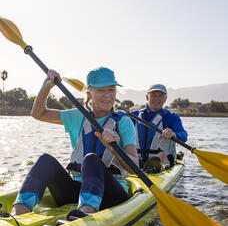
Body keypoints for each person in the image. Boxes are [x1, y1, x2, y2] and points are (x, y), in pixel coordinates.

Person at [11, 67, 138, 217]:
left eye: (111, 89)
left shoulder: (123, 122)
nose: (108, 95)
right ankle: (18, 213)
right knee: (45, 160)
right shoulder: (78, 116)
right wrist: (47, 86)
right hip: (76, 191)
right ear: (89, 94)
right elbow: (38, 114)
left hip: (111, 194)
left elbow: (135, 167)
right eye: (101, 90)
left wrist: (114, 148)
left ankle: (85, 215)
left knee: (91, 158)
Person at [131, 84, 187, 173]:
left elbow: (184, 136)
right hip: (137, 160)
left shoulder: (171, 117)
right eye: (153, 95)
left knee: (160, 156)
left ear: (165, 99)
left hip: (165, 160)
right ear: (147, 97)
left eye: (160, 96)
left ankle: (156, 162)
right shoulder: (134, 115)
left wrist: (174, 134)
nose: (156, 99)